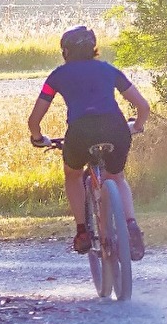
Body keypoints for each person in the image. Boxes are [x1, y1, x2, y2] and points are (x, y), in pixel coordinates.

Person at [27, 25, 150, 260]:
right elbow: (143, 107)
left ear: (65, 52)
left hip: (80, 132)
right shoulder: (108, 70)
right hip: (115, 127)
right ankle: (131, 225)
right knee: (116, 176)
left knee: (73, 174)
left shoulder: (57, 76)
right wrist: (137, 126)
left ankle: (83, 231)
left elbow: (34, 119)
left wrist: (37, 137)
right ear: (94, 48)